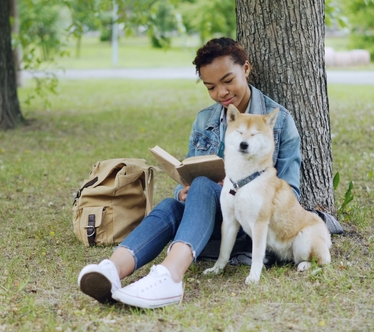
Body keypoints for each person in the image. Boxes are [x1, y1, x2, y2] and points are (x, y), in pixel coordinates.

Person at [77, 37, 302, 309]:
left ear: (246, 68)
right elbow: (189, 177)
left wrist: (241, 187)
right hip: (208, 214)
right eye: (211, 87)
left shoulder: (278, 122)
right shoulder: (205, 120)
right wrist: (183, 191)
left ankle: (170, 276)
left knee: (206, 187)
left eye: (228, 80)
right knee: (173, 204)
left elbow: (290, 192)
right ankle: (112, 270)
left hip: (249, 224)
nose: (221, 92)